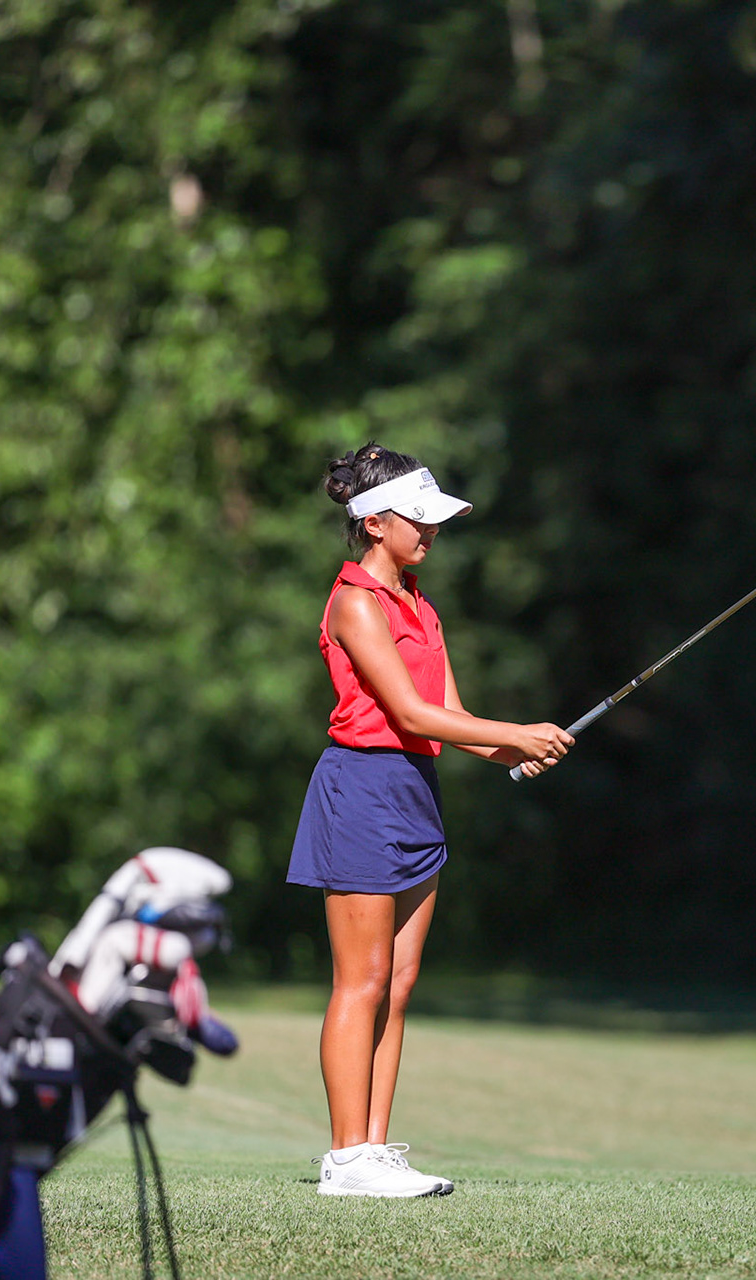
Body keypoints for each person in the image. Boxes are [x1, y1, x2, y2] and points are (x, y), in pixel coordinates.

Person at [288, 443, 572, 1198]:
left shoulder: (421, 604)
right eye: (419, 519)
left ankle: (375, 1151)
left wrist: (506, 750)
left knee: (401, 983)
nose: (431, 532)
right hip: (359, 789)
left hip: (413, 790)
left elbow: (446, 720)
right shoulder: (354, 601)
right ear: (375, 523)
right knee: (363, 979)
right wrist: (519, 733)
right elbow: (406, 711)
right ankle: (345, 1160)